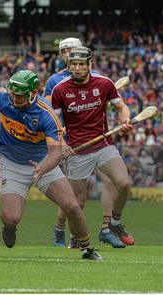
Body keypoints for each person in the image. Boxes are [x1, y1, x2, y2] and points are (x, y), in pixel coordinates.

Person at [0, 70, 102, 260]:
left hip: (42, 163)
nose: (14, 98)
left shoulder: (45, 113)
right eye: (13, 93)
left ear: (33, 93)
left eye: (20, 95)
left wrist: (43, 168)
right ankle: (9, 228)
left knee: (71, 206)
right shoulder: (3, 97)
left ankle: (87, 248)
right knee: (11, 217)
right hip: (11, 164)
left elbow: (56, 153)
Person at [45, 38, 125, 248]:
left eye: (82, 63)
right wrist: (61, 142)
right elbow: (52, 120)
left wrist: (125, 120)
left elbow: (120, 107)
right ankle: (70, 236)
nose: (77, 67)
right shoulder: (58, 86)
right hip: (77, 150)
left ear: (90, 63)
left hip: (103, 145)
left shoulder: (104, 82)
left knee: (122, 182)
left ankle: (111, 225)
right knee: (77, 202)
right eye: (73, 62)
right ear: (67, 63)